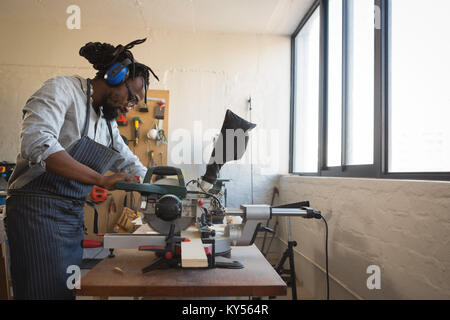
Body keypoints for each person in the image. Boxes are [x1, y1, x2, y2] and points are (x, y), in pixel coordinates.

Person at [5, 38, 158, 299]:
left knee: (65, 292)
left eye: (132, 105)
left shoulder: (107, 125)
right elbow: (36, 142)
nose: (127, 107)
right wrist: (100, 179)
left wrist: (164, 187)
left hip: (71, 215)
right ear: (114, 76)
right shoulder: (62, 90)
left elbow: (130, 162)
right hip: (38, 212)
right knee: (42, 292)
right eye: (130, 98)